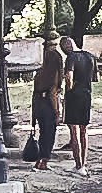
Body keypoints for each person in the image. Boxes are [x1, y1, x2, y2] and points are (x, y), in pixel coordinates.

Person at [25, 27, 64, 169]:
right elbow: (53, 92)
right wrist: (57, 111)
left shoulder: (40, 74)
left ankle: (39, 160)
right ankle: (44, 161)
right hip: (47, 103)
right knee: (49, 133)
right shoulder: (53, 74)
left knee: (42, 132)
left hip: (38, 103)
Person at [61, 28, 97, 171]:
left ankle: (77, 165)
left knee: (73, 131)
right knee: (84, 130)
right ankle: (84, 164)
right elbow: (94, 78)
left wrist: (68, 90)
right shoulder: (90, 57)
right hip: (87, 94)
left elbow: (69, 77)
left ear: (66, 47)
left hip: (74, 96)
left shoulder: (71, 58)